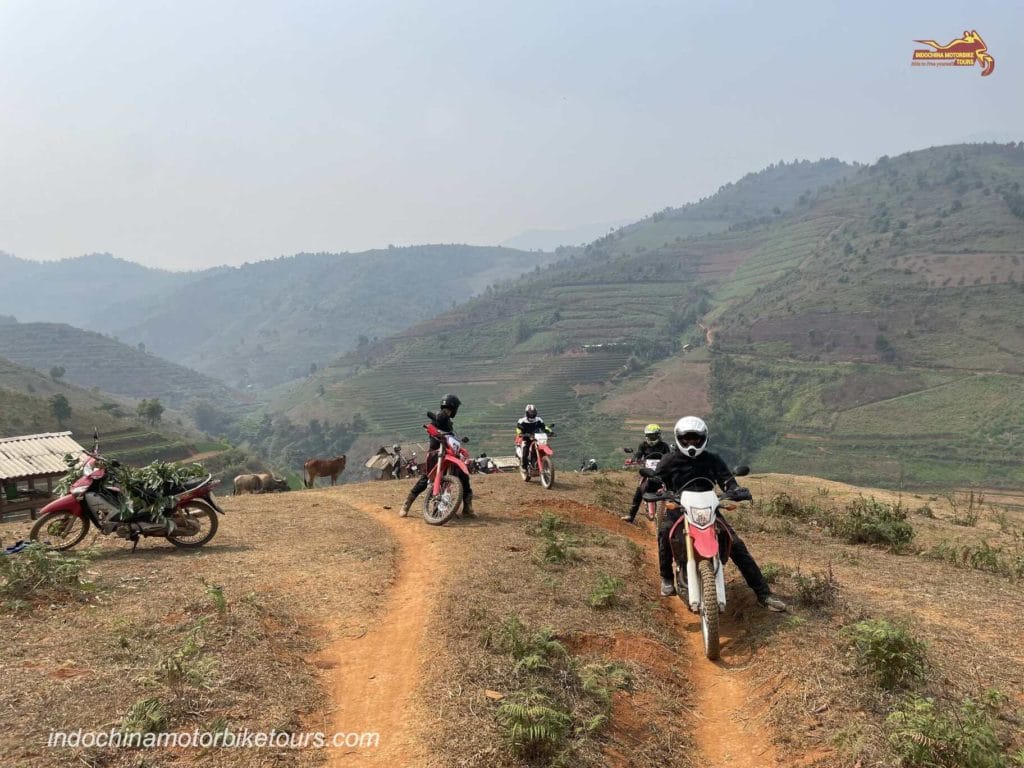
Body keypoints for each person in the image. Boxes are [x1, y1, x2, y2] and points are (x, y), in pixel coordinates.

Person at [652, 415, 786, 611]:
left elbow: (727, 480)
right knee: (665, 532)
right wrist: (653, 487)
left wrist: (735, 489)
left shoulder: (712, 459)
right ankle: (667, 578)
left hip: (708, 509)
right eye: (686, 438)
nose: (691, 443)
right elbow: (656, 480)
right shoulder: (669, 460)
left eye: (695, 439)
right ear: (678, 438)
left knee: (736, 544)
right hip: (679, 507)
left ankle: (764, 594)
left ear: (703, 438)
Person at [400, 394, 474, 517]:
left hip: (449, 453)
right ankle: (406, 504)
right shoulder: (439, 416)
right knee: (426, 479)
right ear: (454, 407)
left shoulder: (449, 422)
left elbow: (451, 435)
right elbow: (435, 422)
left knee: (464, 477)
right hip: (436, 453)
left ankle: (467, 507)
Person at [621, 423, 671, 523]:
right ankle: (631, 516)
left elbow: (668, 456)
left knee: (671, 489)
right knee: (639, 490)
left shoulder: (664, 446)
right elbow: (639, 454)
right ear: (646, 436)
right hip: (647, 471)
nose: (651, 438)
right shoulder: (643, 445)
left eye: (653, 436)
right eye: (649, 436)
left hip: (661, 471)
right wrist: (634, 459)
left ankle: (672, 517)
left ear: (658, 435)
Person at [515, 404, 552, 472]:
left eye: (533, 413)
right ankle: (524, 466)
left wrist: (550, 432)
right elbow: (518, 429)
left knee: (545, 446)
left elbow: (544, 427)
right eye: (530, 413)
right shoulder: (522, 421)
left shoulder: (539, 420)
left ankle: (542, 463)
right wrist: (521, 434)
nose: (532, 415)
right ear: (527, 413)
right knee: (525, 451)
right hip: (526, 438)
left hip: (537, 438)